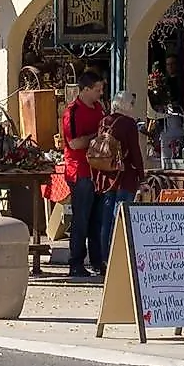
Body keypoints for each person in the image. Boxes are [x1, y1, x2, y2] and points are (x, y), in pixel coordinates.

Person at [59, 72, 110, 279]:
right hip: (79, 170)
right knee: (81, 218)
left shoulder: (99, 108)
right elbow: (74, 143)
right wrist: (97, 137)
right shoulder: (72, 112)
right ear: (86, 89)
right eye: (97, 89)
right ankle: (76, 262)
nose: (101, 93)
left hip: (98, 170)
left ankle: (98, 261)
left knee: (97, 218)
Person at [97, 90, 149, 247]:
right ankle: (118, 254)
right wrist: (142, 177)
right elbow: (135, 152)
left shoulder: (104, 121)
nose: (133, 107)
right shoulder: (129, 123)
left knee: (106, 220)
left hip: (107, 176)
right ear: (127, 105)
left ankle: (104, 257)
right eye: (131, 104)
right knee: (121, 219)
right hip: (125, 177)